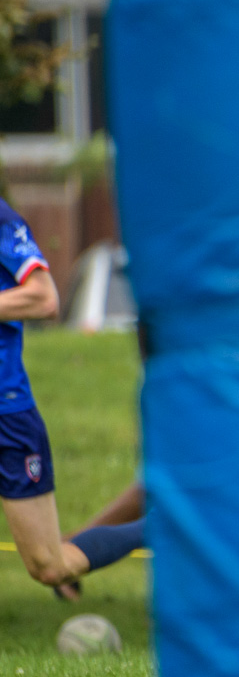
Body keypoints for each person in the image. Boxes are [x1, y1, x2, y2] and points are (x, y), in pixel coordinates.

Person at [0, 202, 146, 597]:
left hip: (7, 414)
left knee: (50, 566)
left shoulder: (3, 221)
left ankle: (159, 529)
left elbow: (43, 299)